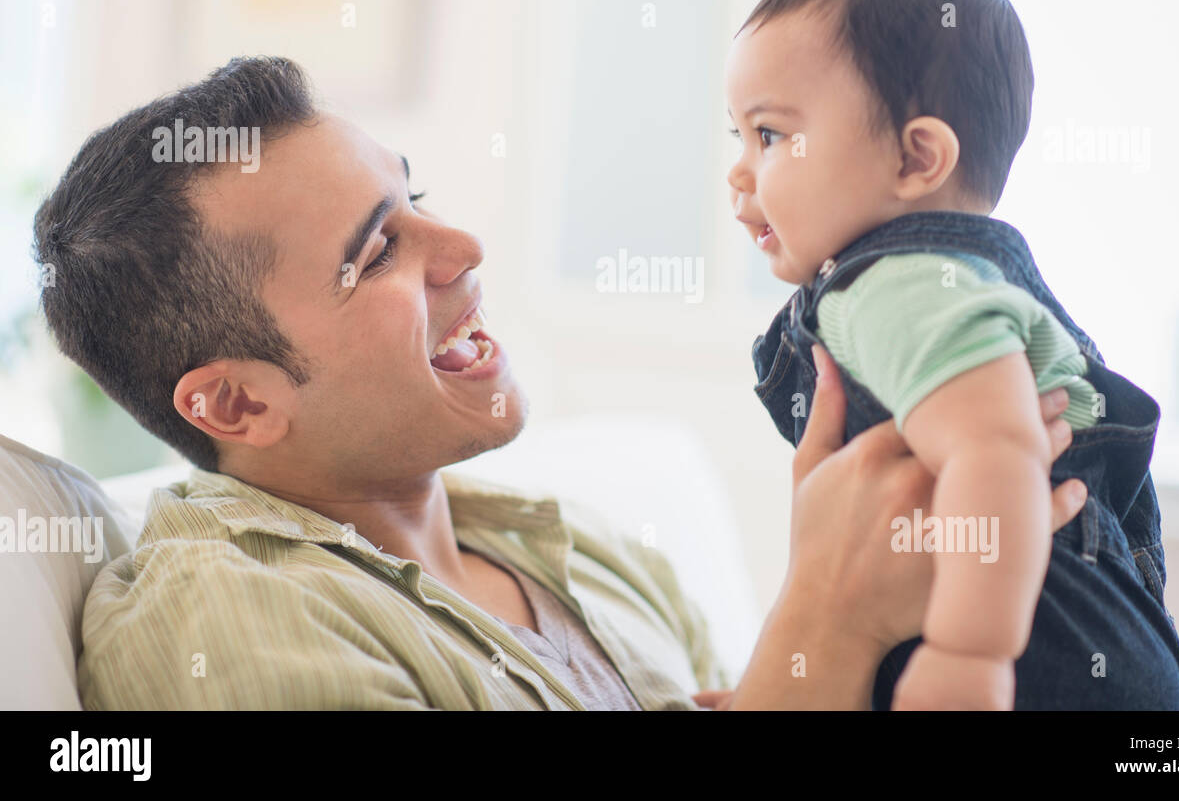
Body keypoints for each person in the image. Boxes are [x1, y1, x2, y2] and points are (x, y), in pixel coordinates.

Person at [34, 57, 1086, 710]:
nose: (461, 246)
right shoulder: (228, 624)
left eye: (420, 198)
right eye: (374, 253)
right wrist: (826, 617)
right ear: (236, 403)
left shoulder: (586, 548)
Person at [726, 0, 1179, 709]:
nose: (741, 169)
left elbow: (998, 451)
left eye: (770, 134)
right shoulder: (929, 283)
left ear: (917, 159)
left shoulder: (900, 285)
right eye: (735, 137)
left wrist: (967, 655)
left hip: (1041, 658)